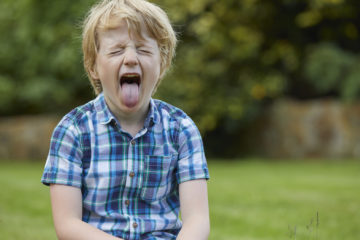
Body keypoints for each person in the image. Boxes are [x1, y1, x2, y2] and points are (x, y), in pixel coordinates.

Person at [41, 0, 210, 239]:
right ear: (93, 67)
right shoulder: (72, 131)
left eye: (142, 49)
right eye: (116, 50)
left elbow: (197, 220)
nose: (130, 58)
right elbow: (67, 225)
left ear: (161, 64)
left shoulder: (181, 129)